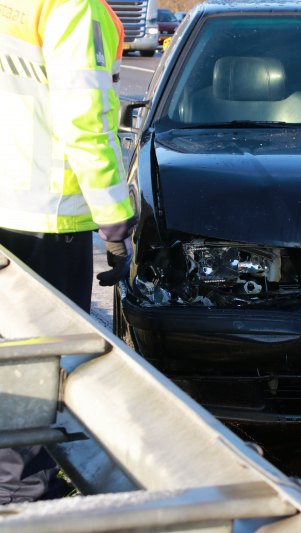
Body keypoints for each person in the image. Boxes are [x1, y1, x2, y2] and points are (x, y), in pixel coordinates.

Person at [0, 0, 137, 504]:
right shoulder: (74, 9)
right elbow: (85, 121)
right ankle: (22, 491)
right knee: (34, 358)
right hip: (43, 215)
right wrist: (114, 217)